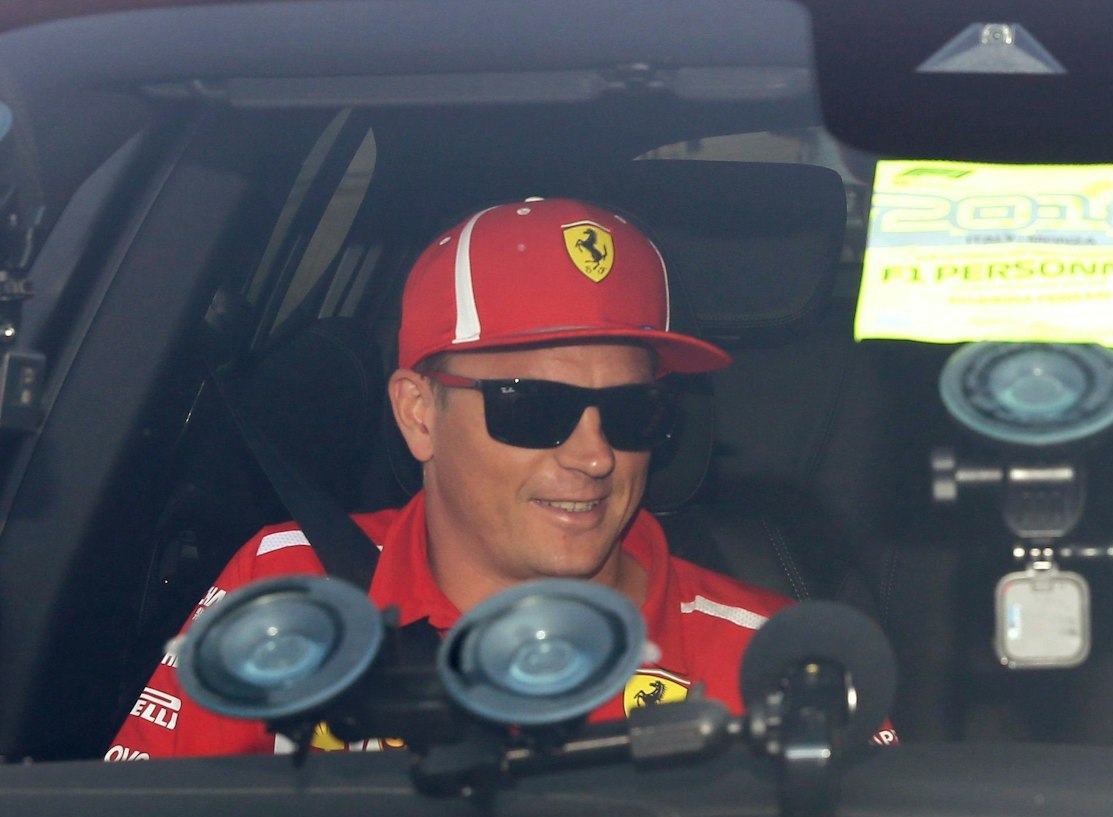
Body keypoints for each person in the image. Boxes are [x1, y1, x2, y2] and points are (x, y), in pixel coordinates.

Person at [109, 196, 891, 760]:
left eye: (630, 413)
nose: (593, 456)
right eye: (533, 408)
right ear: (419, 416)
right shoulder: (287, 586)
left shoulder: (781, 660)